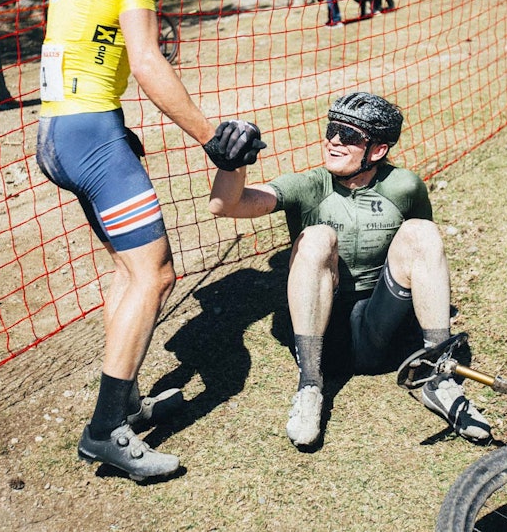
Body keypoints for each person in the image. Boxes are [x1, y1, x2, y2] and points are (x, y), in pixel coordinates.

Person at [36, 0, 265, 482]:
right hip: (90, 131)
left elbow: (77, 41)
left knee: (128, 268)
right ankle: (105, 428)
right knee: (156, 274)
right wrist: (209, 134)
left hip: (59, 128)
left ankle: (127, 398)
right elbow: (144, 59)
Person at [208, 92, 491, 449]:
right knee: (316, 238)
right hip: (327, 340)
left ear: (377, 150)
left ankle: (436, 375)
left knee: (423, 232)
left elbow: (424, 257)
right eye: (332, 130)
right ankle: (310, 385)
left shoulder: (405, 186)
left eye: (350, 135)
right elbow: (225, 205)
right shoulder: (309, 185)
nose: (334, 141)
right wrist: (231, 163)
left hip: (384, 334)